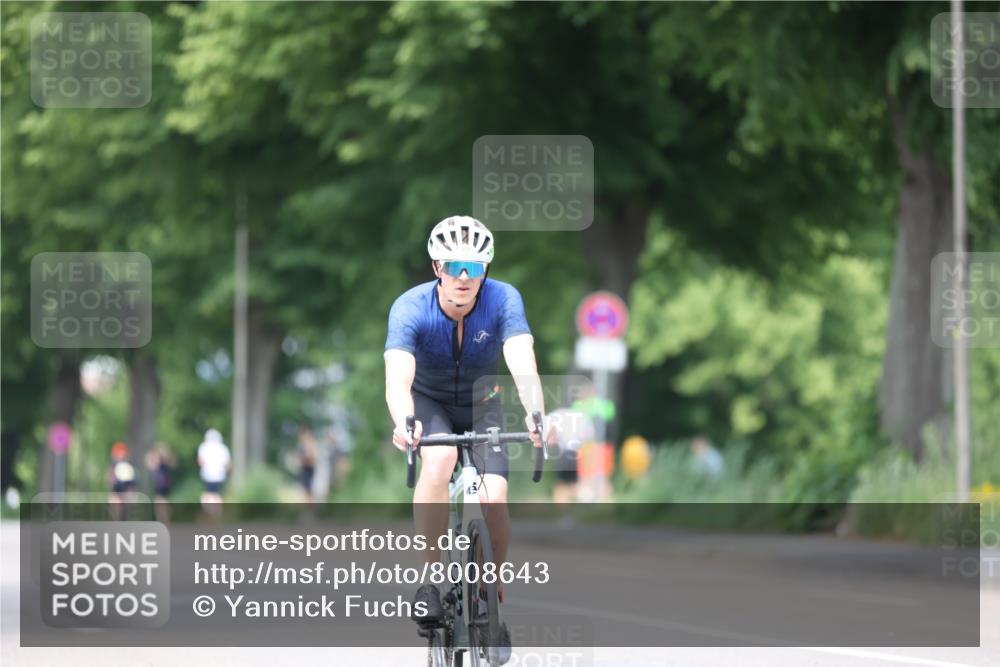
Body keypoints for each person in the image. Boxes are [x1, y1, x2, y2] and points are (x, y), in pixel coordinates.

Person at [384, 215, 551, 660]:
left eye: (474, 268)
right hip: (429, 404)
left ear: (486, 271)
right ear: (437, 265)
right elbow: (398, 378)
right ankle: (430, 581)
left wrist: (536, 412)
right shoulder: (410, 307)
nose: (463, 277)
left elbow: (521, 358)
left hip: (483, 401)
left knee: (494, 496)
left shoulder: (503, 300)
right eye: (454, 265)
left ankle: (491, 591)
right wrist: (405, 422)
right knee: (437, 462)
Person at [197, 428, 231, 516]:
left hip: (207, 475)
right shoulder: (223, 448)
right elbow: (227, 464)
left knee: (207, 495)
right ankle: (217, 514)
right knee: (216, 495)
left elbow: (200, 461)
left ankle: (209, 513)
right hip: (219, 475)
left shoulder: (204, 447)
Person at [145, 443, 176, 522]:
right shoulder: (164, 463)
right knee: (162, 502)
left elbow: (149, 464)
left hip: (161, 485)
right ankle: (164, 520)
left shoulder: (162, 464)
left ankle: (164, 520)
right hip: (162, 485)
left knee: (161, 502)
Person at [107, 441, 136, 520]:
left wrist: (129, 492)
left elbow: (132, 482)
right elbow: (109, 480)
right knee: (114, 503)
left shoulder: (129, 466)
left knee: (128, 504)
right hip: (116, 490)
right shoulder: (113, 466)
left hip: (126, 490)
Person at [297, 425, 319, 504]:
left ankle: (310, 509)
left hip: (310, 469)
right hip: (305, 469)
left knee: (310, 490)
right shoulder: (302, 445)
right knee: (306, 490)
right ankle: (308, 509)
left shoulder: (312, 444)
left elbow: (314, 458)